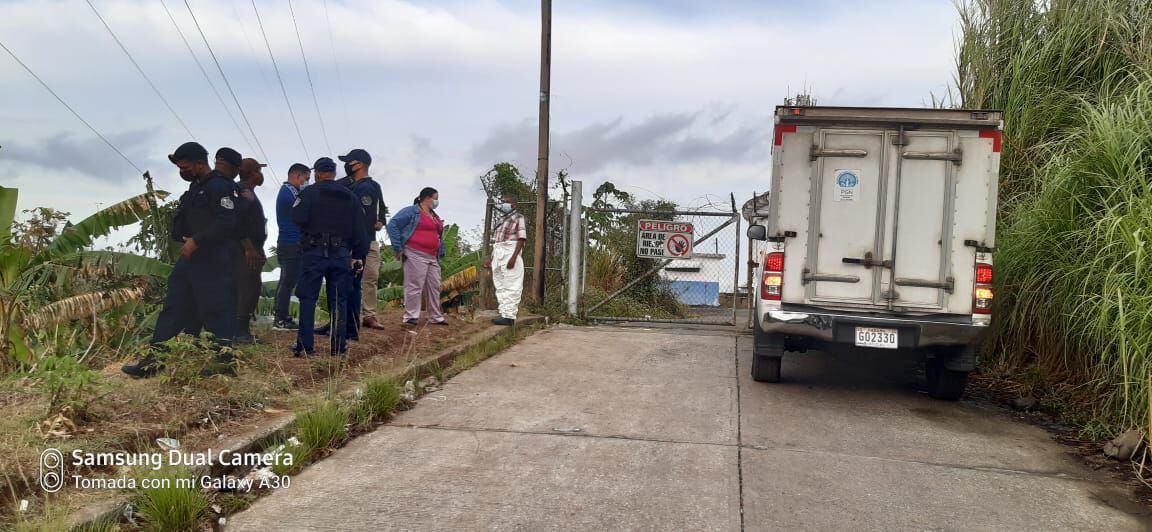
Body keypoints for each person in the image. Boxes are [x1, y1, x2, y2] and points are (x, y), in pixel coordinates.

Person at [122, 142, 237, 378]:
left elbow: (227, 222)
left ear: (199, 163)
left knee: (215, 310)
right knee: (173, 308)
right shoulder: (196, 187)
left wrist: (198, 240)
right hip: (190, 259)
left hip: (212, 258)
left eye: (185, 166)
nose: (182, 171)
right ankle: (154, 362)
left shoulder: (219, 187)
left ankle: (224, 363)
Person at [291, 157, 368, 357]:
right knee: (339, 300)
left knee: (308, 299)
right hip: (341, 254)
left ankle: (305, 347)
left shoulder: (308, 193)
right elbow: (361, 231)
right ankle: (338, 347)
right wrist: (357, 255)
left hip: (314, 253)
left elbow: (298, 218)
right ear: (334, 174)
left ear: (316, 174)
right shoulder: (350, 197)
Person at [339, 149, 387, 331]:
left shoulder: (372, 186)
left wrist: (381, 220)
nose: (347, 165)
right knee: (350, 279)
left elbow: (381, 207)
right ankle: (346, 317)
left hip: (370, 241)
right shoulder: (346, 185)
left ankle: (369, 315)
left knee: (370, 278)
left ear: (359, 164)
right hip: (352, 242)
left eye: (349, 162)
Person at [386, 187, 447, 326]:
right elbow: (393, 224)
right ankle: (411, 316)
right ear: (426, 198)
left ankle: (435, 316)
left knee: (434, 285)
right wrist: (397, 247)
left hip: (432, 256)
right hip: (415, 252)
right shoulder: (412, 211)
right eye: (435, 198)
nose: (437, 201)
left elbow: (438, 234)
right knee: (414, 285)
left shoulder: (434, 215)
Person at [233, 157, 268, 344]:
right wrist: (249, 248)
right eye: (259, 171)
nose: (261, 175)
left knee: (251, 287)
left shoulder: (248, 192)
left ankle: (242, 330)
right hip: (246, 250)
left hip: (254, 247)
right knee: (247, 288)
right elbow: (238, 222)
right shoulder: (243, 192)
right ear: (253, 173)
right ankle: (240, 332)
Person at [273, 163, 311, 330]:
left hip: (293, 242)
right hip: (290, 242)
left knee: (288, 281)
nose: (306, 182)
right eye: (306, 178)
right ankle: (280, 318)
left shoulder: (292, 191)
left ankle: (283, 317)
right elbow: (303, 211)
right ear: (297, 176)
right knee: (287, 281)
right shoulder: (288, 192)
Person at [484, 193, 527, 326]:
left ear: (513, 205)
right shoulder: (501, 220)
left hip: (510, 251)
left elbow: (521, 239)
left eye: (506, 202)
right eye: (502, 202)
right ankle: (503, 313)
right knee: (500, 283)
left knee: (512, 284)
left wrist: (514, 257)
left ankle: (509, 315)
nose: (503, 204)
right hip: (499, 252)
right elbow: (497, 241)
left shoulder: (518, 218)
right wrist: (492, 258)